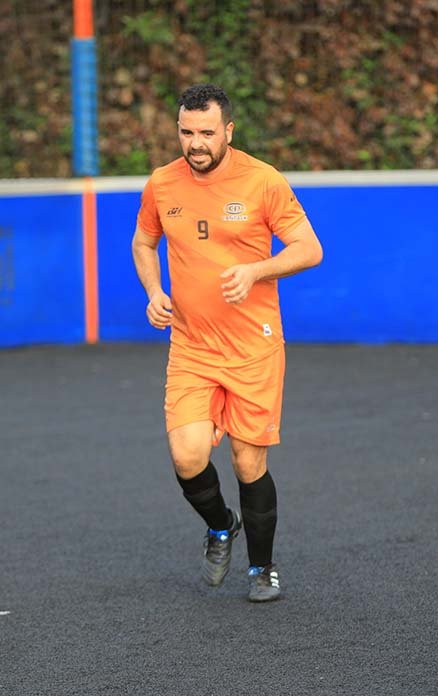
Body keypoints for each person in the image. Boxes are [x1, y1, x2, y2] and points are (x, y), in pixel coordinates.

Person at [131, 83, 323, 602]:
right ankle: (221, 525)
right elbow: (144, 242)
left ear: (228, 131)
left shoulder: (262, 180)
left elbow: (310, 249)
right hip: (191, 346)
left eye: (206, 133)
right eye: (186, 132)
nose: (195, 143)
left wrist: (257, 270)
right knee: (187, 456)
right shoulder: (162, 183)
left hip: (253, 348)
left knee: (247, 462)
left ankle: (262, 568)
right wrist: (154, 292)